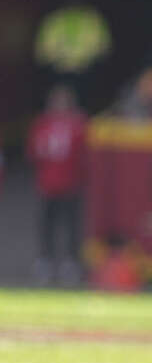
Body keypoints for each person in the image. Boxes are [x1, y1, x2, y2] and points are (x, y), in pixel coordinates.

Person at [26, 84, 88, 283]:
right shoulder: (42, 123)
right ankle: (46, 261)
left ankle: (71, 263)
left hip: (70, 183)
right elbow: (33, 152)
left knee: (72, 225)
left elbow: (84, 154)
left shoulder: (78, 124)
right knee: (47, 225)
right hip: (47, 183)